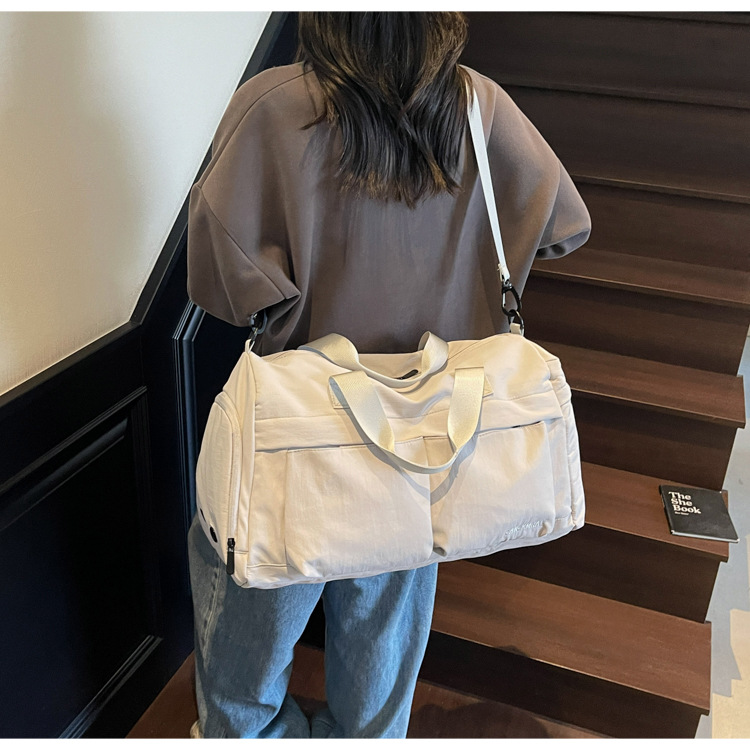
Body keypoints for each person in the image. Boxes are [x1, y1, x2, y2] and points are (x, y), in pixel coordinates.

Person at [185, 11, 591, 739]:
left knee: (247, 633)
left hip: (298, 437)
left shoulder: (273, 107)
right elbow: (565, 226)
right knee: (384, 631)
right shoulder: (479, 107)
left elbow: (220, 288)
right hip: (431, 435)